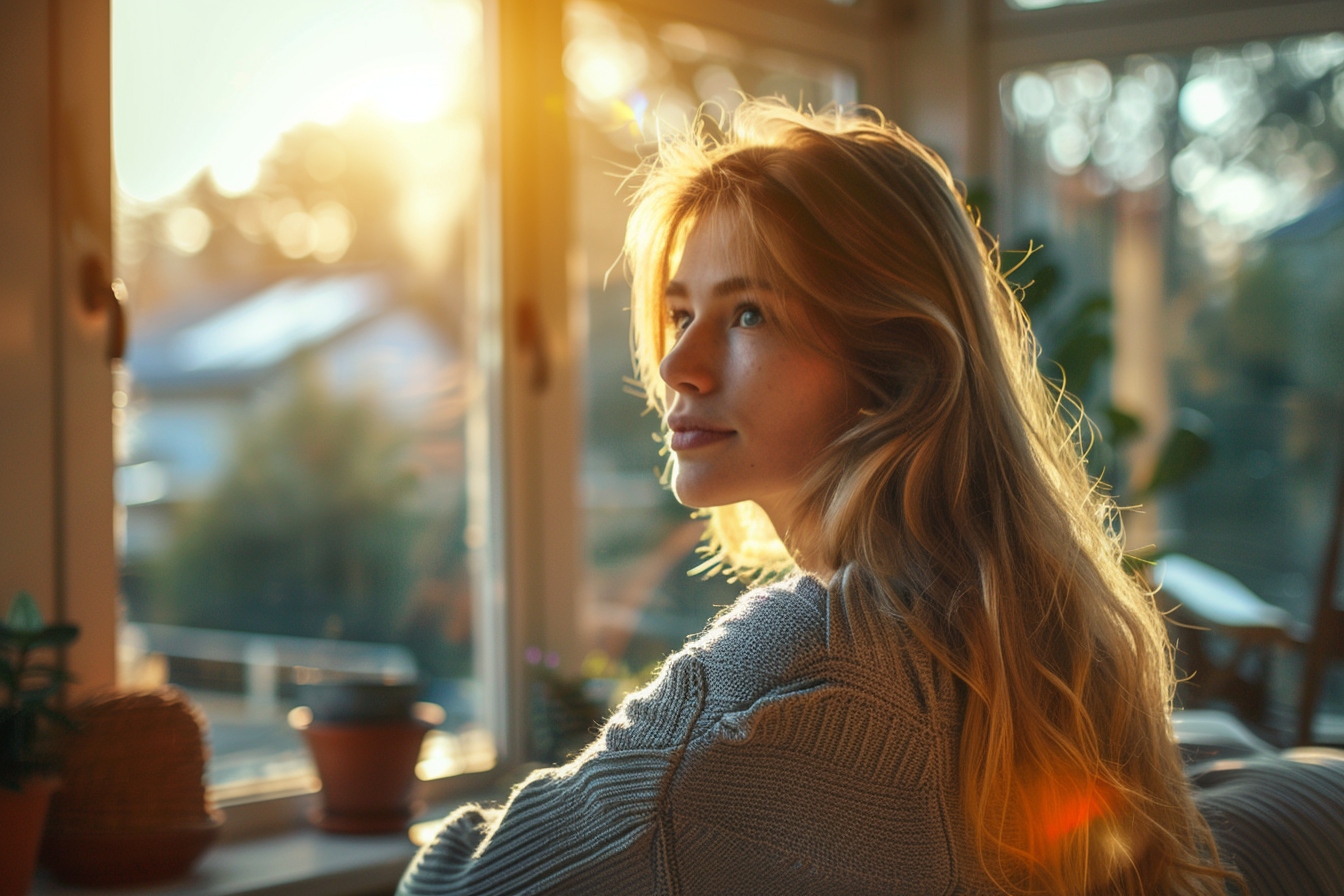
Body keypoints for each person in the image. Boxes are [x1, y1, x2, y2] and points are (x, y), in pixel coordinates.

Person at [398, 99, 1235, 895]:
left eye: (750, 312)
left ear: (894, 362)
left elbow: (456, 885)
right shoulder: (1043, 630)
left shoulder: (795, 681)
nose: (676, 364)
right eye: (681, 310)